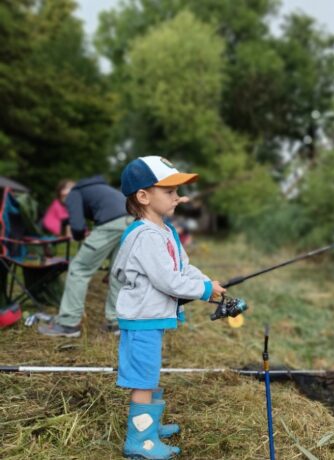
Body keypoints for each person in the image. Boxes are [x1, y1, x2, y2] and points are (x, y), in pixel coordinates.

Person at [110, 156, 225, 458]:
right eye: (170, 191)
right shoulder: (146, 235)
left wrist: (208, 284)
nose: (178, 197)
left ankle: (151, 424)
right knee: (143, 379)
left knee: (150, 373)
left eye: (177, 191)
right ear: (144, 197)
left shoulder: (164, 230)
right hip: (141, 320)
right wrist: (203, 291)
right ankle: (140, 441)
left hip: (153, 319)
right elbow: (168, 281)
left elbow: (183, 268)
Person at [38, 175, 131, 337]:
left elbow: (78, 226)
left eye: (64, 195)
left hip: (111, 224)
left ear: (69, 188)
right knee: (117, 272)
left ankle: (69, 324)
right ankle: (117, 322)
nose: (65, 198)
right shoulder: (102, 189)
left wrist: (80, 236)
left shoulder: (75, 193)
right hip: (133, 220)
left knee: (79, 268)